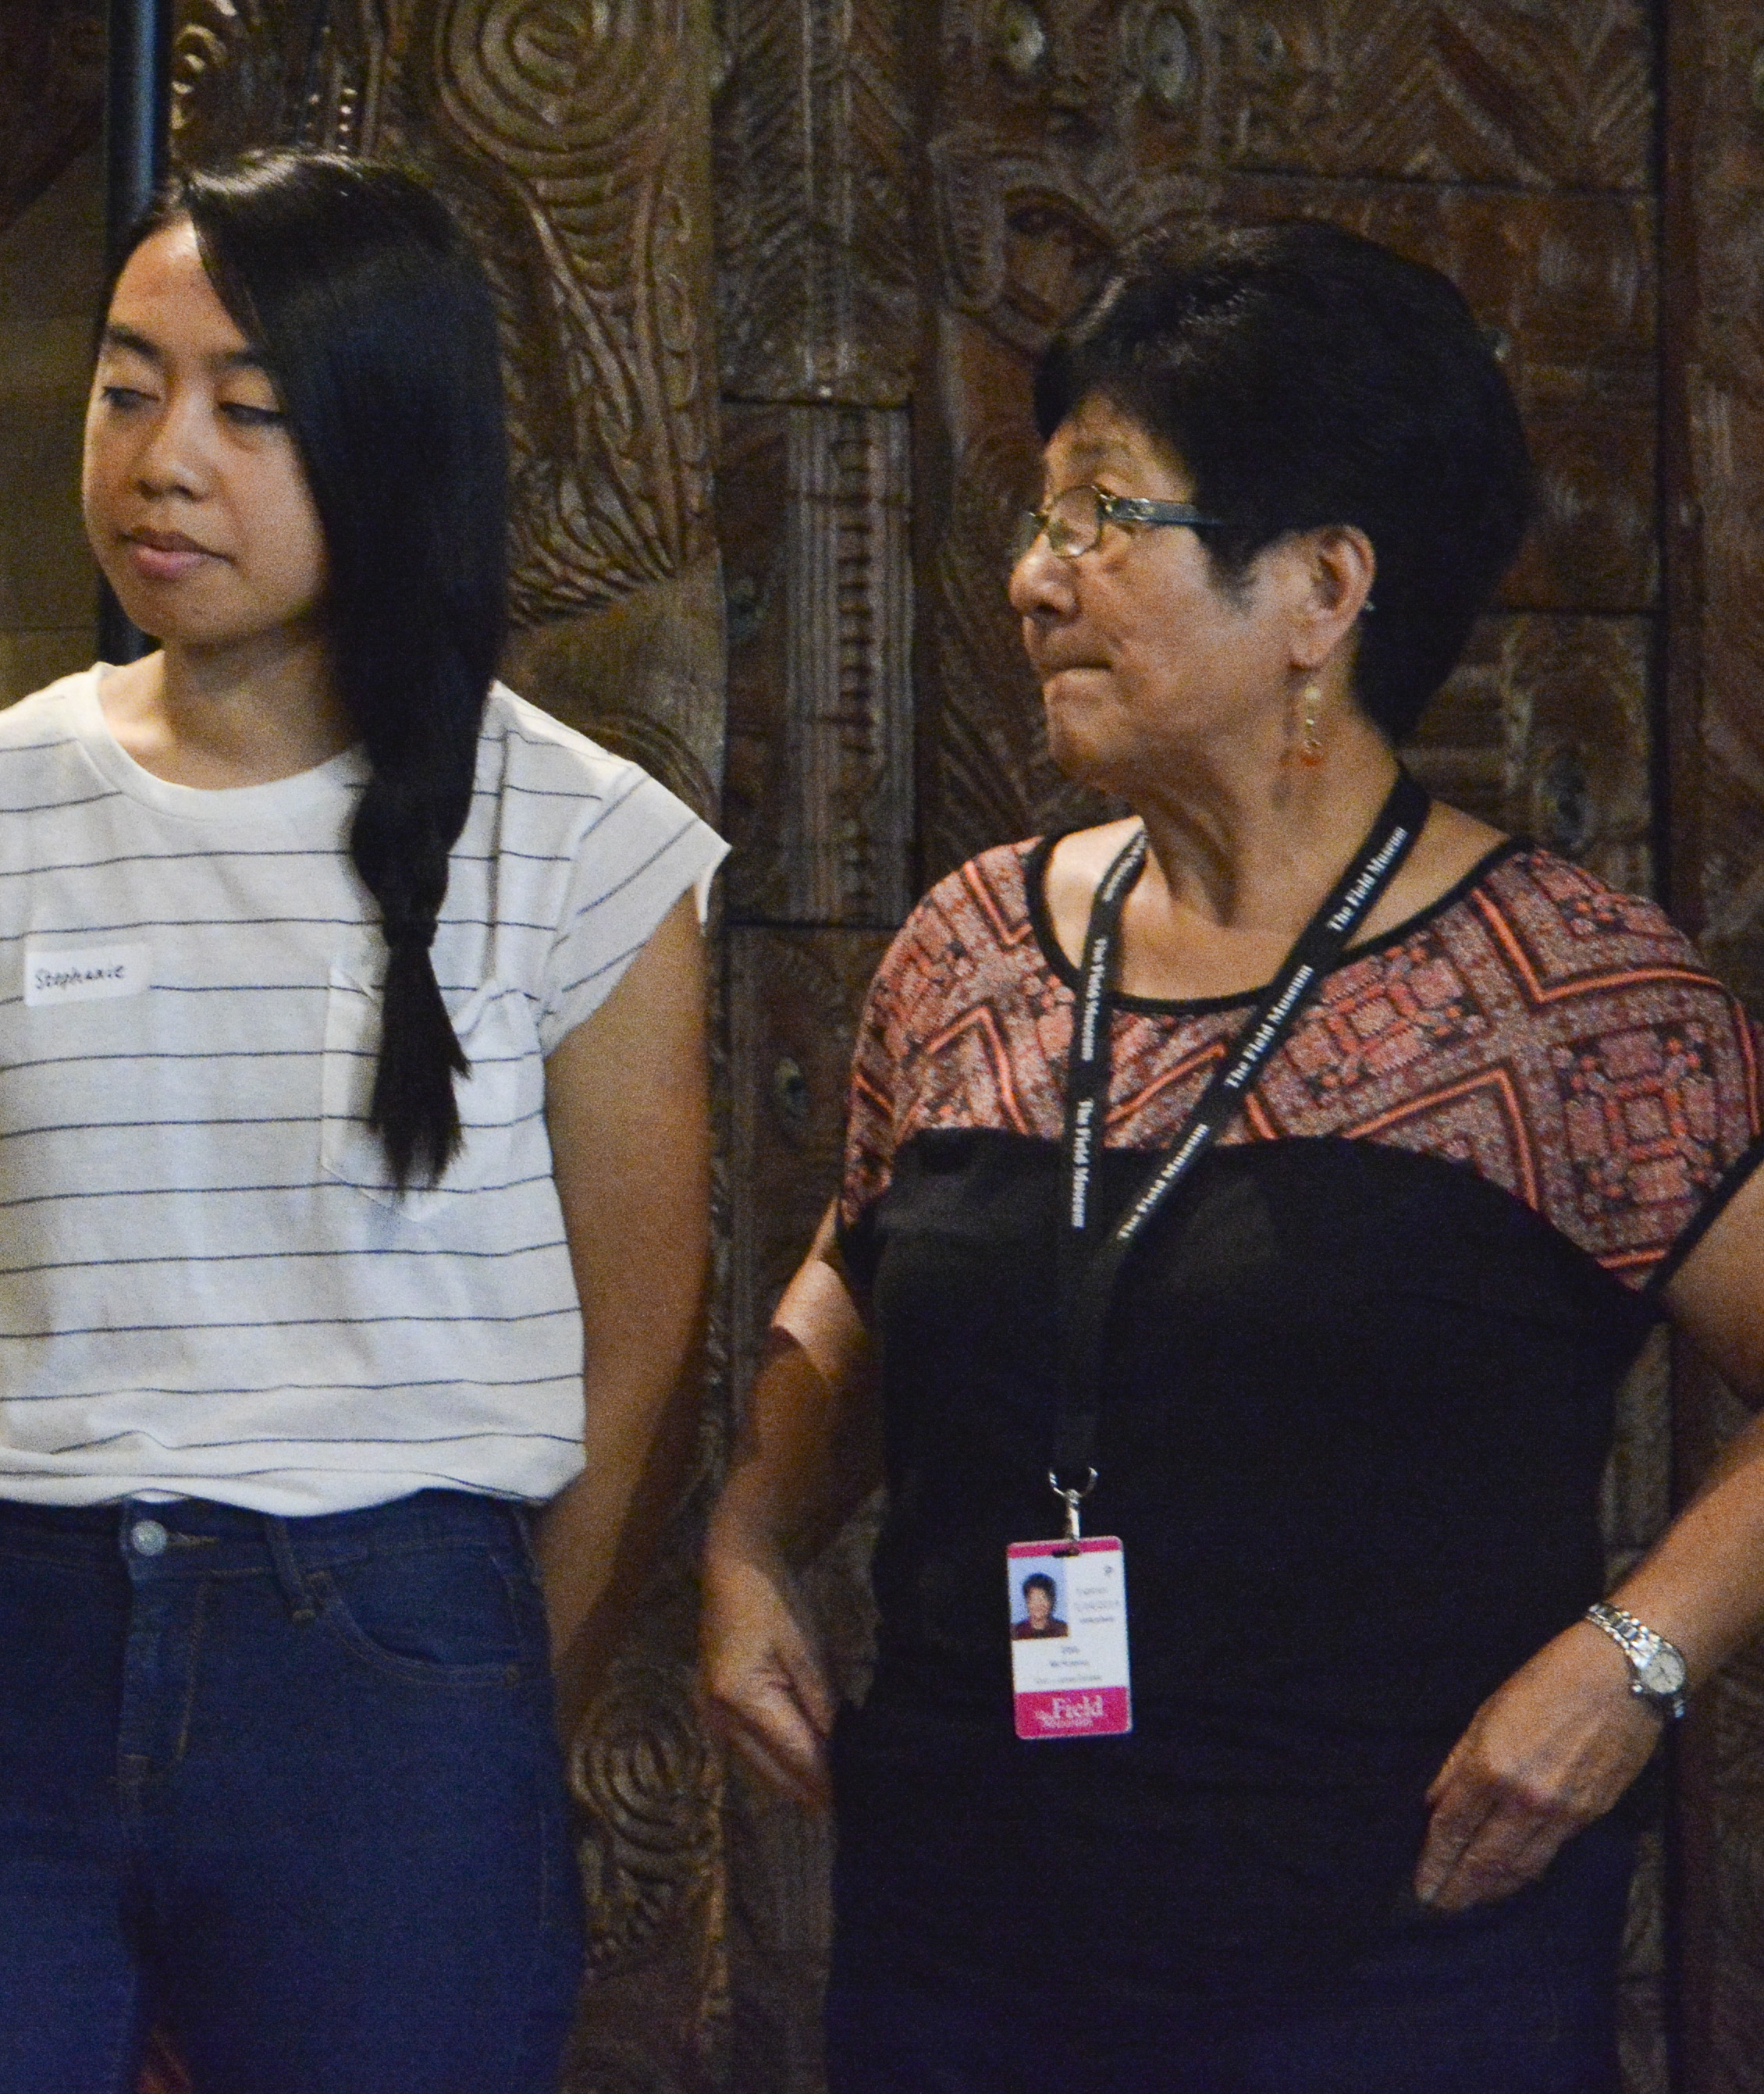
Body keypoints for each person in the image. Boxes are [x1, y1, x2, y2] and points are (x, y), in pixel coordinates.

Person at [701, 218, 1764, 2090]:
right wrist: (742, 1539)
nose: (1034, 578)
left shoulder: (1571, 1001)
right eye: (1042, 518)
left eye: (1104, 514)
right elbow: (858, 1297)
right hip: (956, 1944)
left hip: (1388, 1965)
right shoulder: (967, 947)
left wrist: (1633, 1658)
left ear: (1322, 586)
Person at [0, 148, 724, 2093]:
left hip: (386, 1651)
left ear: (386, 446)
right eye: (126, 384)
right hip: (4, 1633)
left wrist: (474, 1696)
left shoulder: (583, 837)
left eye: (249, 408)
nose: (164, 457)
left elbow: (635, 1345)